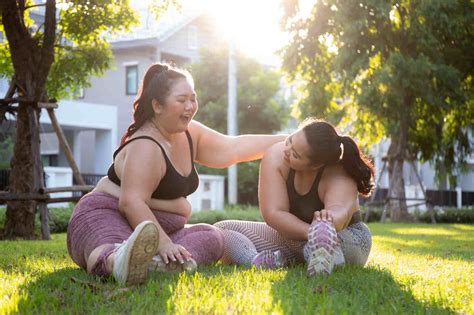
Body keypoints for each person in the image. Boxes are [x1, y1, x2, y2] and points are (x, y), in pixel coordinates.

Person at [67, 63, 286, 285]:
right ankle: (118, 261)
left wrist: (290, 141)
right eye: (182, 100)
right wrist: (164, 244)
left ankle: (157, 264)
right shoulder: (146, 145)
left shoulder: (190, 133)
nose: (190, 106)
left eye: (193, 98)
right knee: (111, 247)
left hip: (159, 230)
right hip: (106, 216)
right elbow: (131, 203)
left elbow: (232, 148)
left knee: (212, 236)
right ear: (157, 106)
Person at [215, 118, 374, 276]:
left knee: (318, 245)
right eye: (290, 140)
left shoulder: (339, 174)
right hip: (296, 236)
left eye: (296, 155)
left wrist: (327, 223)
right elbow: (274, 213)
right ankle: (256, 261)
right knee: (221, 230)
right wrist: (312, 233)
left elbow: (340, 213)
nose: (287, 150)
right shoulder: (276, 156)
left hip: (346, 238)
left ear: (315, 165)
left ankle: (323, 254)